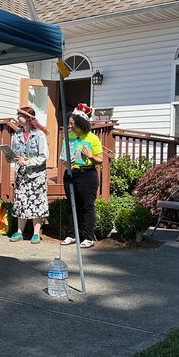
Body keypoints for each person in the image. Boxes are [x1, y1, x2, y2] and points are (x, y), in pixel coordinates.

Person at [61, 103, 103, 249]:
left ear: (81, 123)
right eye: (69, 123)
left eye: (72, 124)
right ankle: (72, 235)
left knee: (87, 206)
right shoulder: (69, 137)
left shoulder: (92, 138)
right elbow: (63, 158)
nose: (70, 126)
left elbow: (100, 159)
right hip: (71, 174)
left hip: (87, 175)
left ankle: (88, 237)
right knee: (71, 204)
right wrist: (67, 163)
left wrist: (90, 156)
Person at [9, 106, 49, 244]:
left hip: (36, 175)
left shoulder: (39, 135)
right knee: (21, 202)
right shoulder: (17, 134)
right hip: (22, 174)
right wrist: (10, 157)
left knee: (36, 203)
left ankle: (36, 233)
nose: (17, 117)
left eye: (19, 115)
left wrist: (28, 162)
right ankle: (19, 232)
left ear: (27, 118)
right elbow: (15, 153)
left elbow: (43, 156)